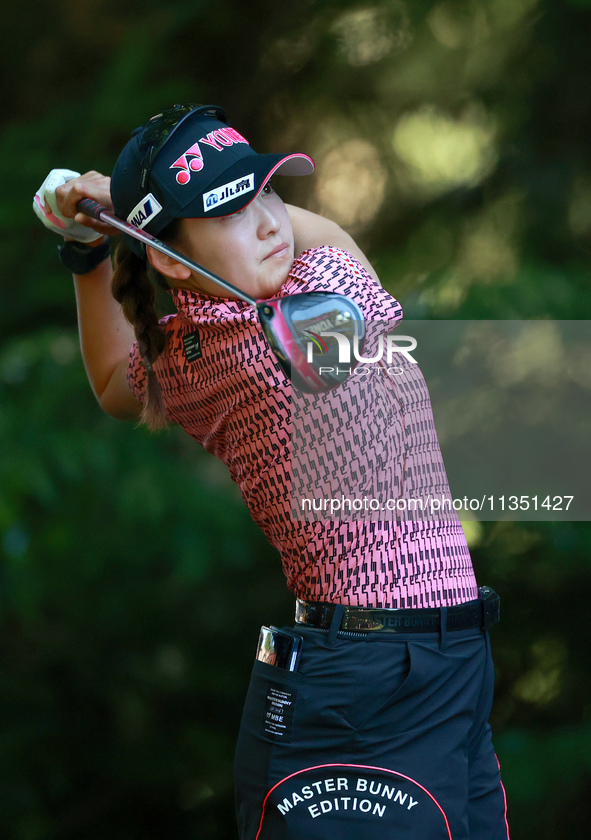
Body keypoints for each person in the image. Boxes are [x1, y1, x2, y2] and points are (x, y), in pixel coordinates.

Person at [33, 104, 509, 839]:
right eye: (230, 209)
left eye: (266, 193)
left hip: (427, 668)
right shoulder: (283, 326)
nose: (268, 224)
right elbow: (327, 237)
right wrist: (113, 217)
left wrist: (90, 247)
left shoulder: (184, 354)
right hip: (370, 685)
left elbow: (109, 382)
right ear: (166, 255)